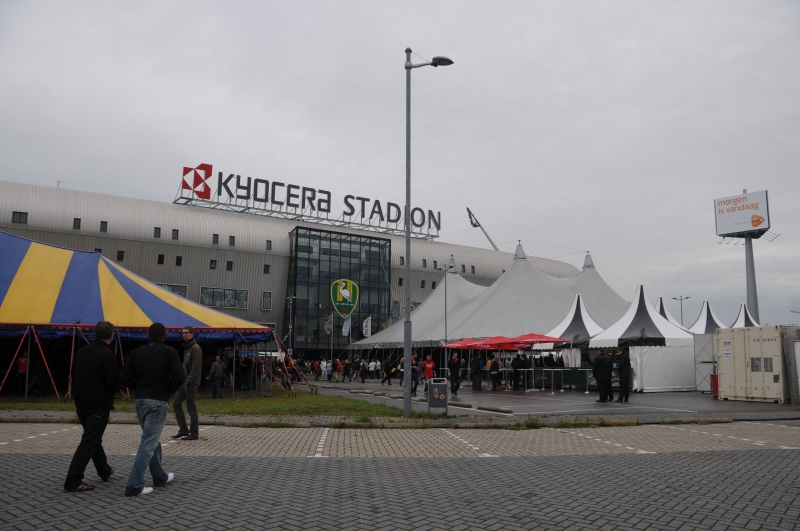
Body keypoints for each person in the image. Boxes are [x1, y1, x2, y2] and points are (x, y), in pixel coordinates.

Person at [119, 322, 185, 496]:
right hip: (158, 400)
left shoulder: (136, 352)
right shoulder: (170, 352)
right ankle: (134, 485)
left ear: (148, 335)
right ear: (165, 335)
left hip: (140, 400)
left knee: (151, 438)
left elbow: (124, 377)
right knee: (148, 442)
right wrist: (168, 390)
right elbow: (180, 376)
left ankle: (159, 476)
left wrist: (138, 386)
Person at [63, 321, 118, 493]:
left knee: (93, 438)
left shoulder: (81, 351)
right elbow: (113, 382)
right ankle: (73, 480)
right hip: (98, 404)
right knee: (88, 442)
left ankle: (104, 470)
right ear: (111, 335)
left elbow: (73, 374)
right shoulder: (107, 355)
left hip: (81, 403)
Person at [172, 326, 202, 441]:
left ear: (192, 334)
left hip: (191, 382)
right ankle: (183, 430)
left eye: (186, 333)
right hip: (184, 382)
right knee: (176, 403)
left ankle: (194, 433)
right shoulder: (187, 348)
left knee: (191, 407)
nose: (184, 335)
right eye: (183, 333)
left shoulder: (195, 348)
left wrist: (188, 381)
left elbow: (196, 368)